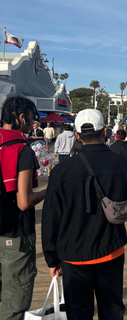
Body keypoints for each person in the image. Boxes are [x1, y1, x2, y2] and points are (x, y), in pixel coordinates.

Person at [42, 109, 127, 320]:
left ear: (77, 136)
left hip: (73, 254)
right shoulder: (124, 164)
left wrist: (52, 258)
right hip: (111, 248)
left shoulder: (61, 171)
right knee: (112, 310)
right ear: (105, 132)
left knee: (78, 313)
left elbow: (51, 219)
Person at [0, 97, 45, 319]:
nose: (33, 121)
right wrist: (51, 189)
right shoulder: (22, 149)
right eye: (32, 117)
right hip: (15, 234)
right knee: (14, 303)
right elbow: (24, 201)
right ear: (21, 117)